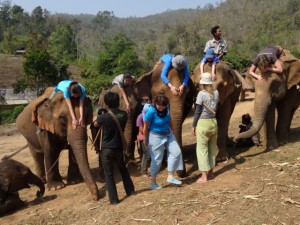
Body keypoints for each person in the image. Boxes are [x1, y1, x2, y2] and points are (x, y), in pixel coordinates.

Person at [92, 92, 135, 205]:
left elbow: (95, 124)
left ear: (106, 103)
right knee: (123, 169)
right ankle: (130, 191)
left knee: (109, 174)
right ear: (118, 102)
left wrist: (101, 114)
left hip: (106, 149)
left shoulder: (103, 117)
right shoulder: (124, 115)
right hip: (119, 147)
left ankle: (114, 200)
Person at [143, 92, 183, 190]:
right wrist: (145, 139)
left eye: (163, 107)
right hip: (155, 136)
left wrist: (172, 130)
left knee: (176, 152)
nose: (161, 108)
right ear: (155, 103)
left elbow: (169, 120)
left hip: (168, 133)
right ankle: (153, 182)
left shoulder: (167, 108)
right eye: (159, 107)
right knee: (157, 159)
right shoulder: (150, 111)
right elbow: (145, 127)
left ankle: (170, 176)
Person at [192, 72, 219, 183]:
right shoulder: (216, 92)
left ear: (202, 83)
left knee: (202, 149)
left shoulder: (201, 94)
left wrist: (193, 125)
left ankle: (204, 176)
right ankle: (211, 173)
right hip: (214, 122)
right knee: (212, 148)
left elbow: (198, 111)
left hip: (203, 123)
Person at [136, 103, 151, 177]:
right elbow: (141, 129)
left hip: (151, 137)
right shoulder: (140, 117)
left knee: (151, 153)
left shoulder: (150, 116)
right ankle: (143, 172)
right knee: (147, 154)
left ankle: (149, 169)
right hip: (144, 138)